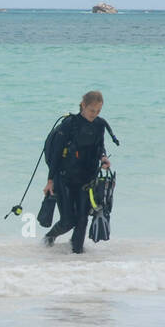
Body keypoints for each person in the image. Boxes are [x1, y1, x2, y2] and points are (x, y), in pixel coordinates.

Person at [42, 91, 113, 253]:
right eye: (91, 110)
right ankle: (48, 240)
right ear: (83, 106)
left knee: (82, 221)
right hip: (64, 179)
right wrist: (50, 180)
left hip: (87, 180)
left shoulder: (100, 125)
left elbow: (100, 146)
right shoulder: (69, 124)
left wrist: (103, 158)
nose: (94, 115)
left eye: (98, 111)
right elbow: (56, 154)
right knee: (68, 221)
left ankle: (77, 259)